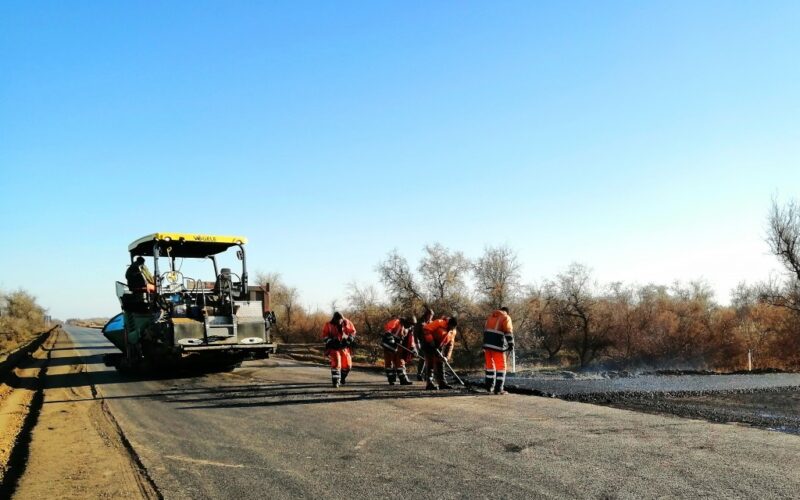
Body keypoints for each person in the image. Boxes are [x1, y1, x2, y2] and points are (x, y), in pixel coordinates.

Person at [482, 307, 514, 395]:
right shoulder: (506, 317)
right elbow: (508, 332)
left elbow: (485, 331)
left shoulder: (491, 317)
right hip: (497, 346)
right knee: (501, 367)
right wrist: (511, 344)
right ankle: (499, 389)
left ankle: (489, 387)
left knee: (490, 367)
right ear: (507, 312)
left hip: (487, 346)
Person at [422, 316, 458, 390]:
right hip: (429, 345)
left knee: (440, 364)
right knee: (430, 364)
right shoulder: (439, 322)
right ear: (448, 323)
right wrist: (430, 340)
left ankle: (442, 383)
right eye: (451, 327)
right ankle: (430, 384)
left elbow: (450, 345)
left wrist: (447, 357)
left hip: (439, 347)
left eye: (453, 328)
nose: (451, 329)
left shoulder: (453, 331)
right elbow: (426, 329)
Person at [322, 312, 356, 388]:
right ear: (334, 319)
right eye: (338, 321)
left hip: (344, 347)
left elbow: (353, 332)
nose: (339, 322)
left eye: (340, 320)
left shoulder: (347, 323)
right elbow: (324, 336)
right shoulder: (328, 325)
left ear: (342, 319)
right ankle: (336, 381)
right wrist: (331, 341)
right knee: (336, 363)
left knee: (347, 365)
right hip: (334, 347)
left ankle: (342, 378)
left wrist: (350, 338)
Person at [381, 316, 416, 385]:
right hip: (389, 345)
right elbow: (388, 328)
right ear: (406, 321)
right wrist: (390, 337)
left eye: (412, 325)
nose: (410, 326)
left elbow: (411, 340)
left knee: (400, 362)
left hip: (398, 346)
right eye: (410, 324)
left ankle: (403, 379)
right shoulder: (397, 322)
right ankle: (391, 379)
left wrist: (413, 348)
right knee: (389, 362)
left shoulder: (409, 329)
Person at [413, 307, 434, 380]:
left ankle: (427, 375)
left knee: (430, 359)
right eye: (429, 315)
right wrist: (416, 344)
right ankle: (419, 374)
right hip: (422, 343)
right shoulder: (420, 323)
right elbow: (415, 334)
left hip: (430, 344)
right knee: (423, 359)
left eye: (432, 315)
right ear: (426, 315)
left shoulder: (432, 323)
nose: (431, 316)